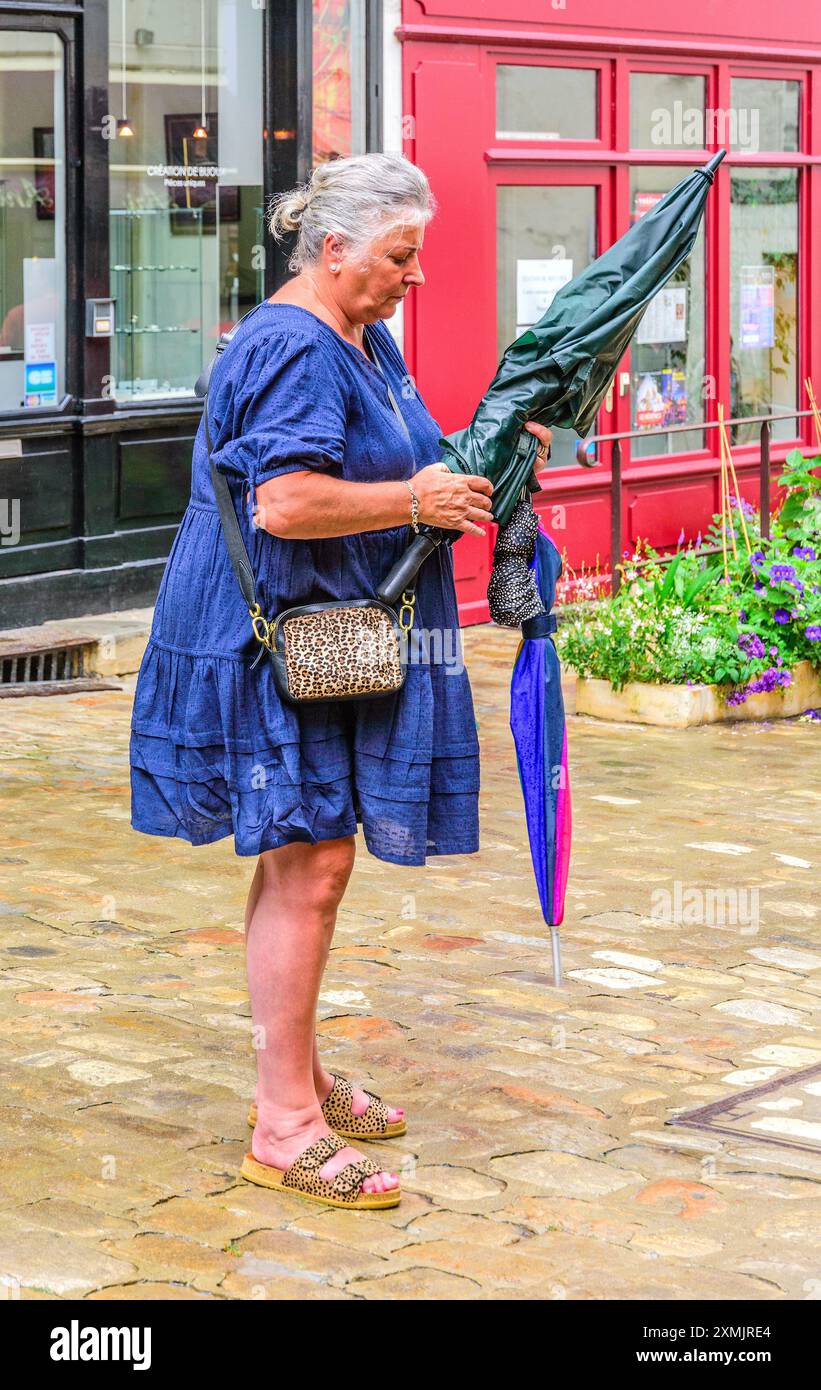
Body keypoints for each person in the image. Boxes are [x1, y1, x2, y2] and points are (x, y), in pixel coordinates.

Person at [129, 152, 552, 1210]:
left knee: (303, 853)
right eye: (399, 256)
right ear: (332, 249)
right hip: (272, 636)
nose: (416, 275)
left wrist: (491, 457)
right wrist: (413, 501)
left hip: (321, 631)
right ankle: (283, 1126)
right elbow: (284, 502)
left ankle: (299, 1079)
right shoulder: (293, 346)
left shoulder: (363, 334)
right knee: (311, 859)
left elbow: (404, 455)